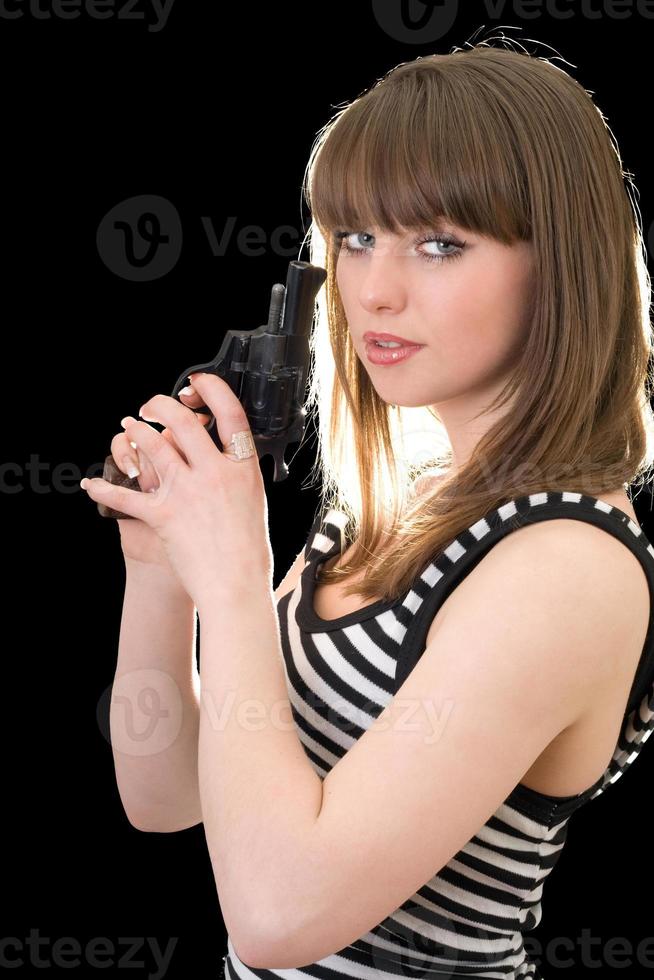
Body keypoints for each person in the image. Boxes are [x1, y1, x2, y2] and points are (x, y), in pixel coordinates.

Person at [111, 37, 654, 980]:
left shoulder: (566, 566)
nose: (375, 290)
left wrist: (235, 579)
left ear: (563, 267)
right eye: (356, 239)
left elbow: (279, 915)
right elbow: (166, 795)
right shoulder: (396, 506)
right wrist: (164, 570)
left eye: (440, 244)